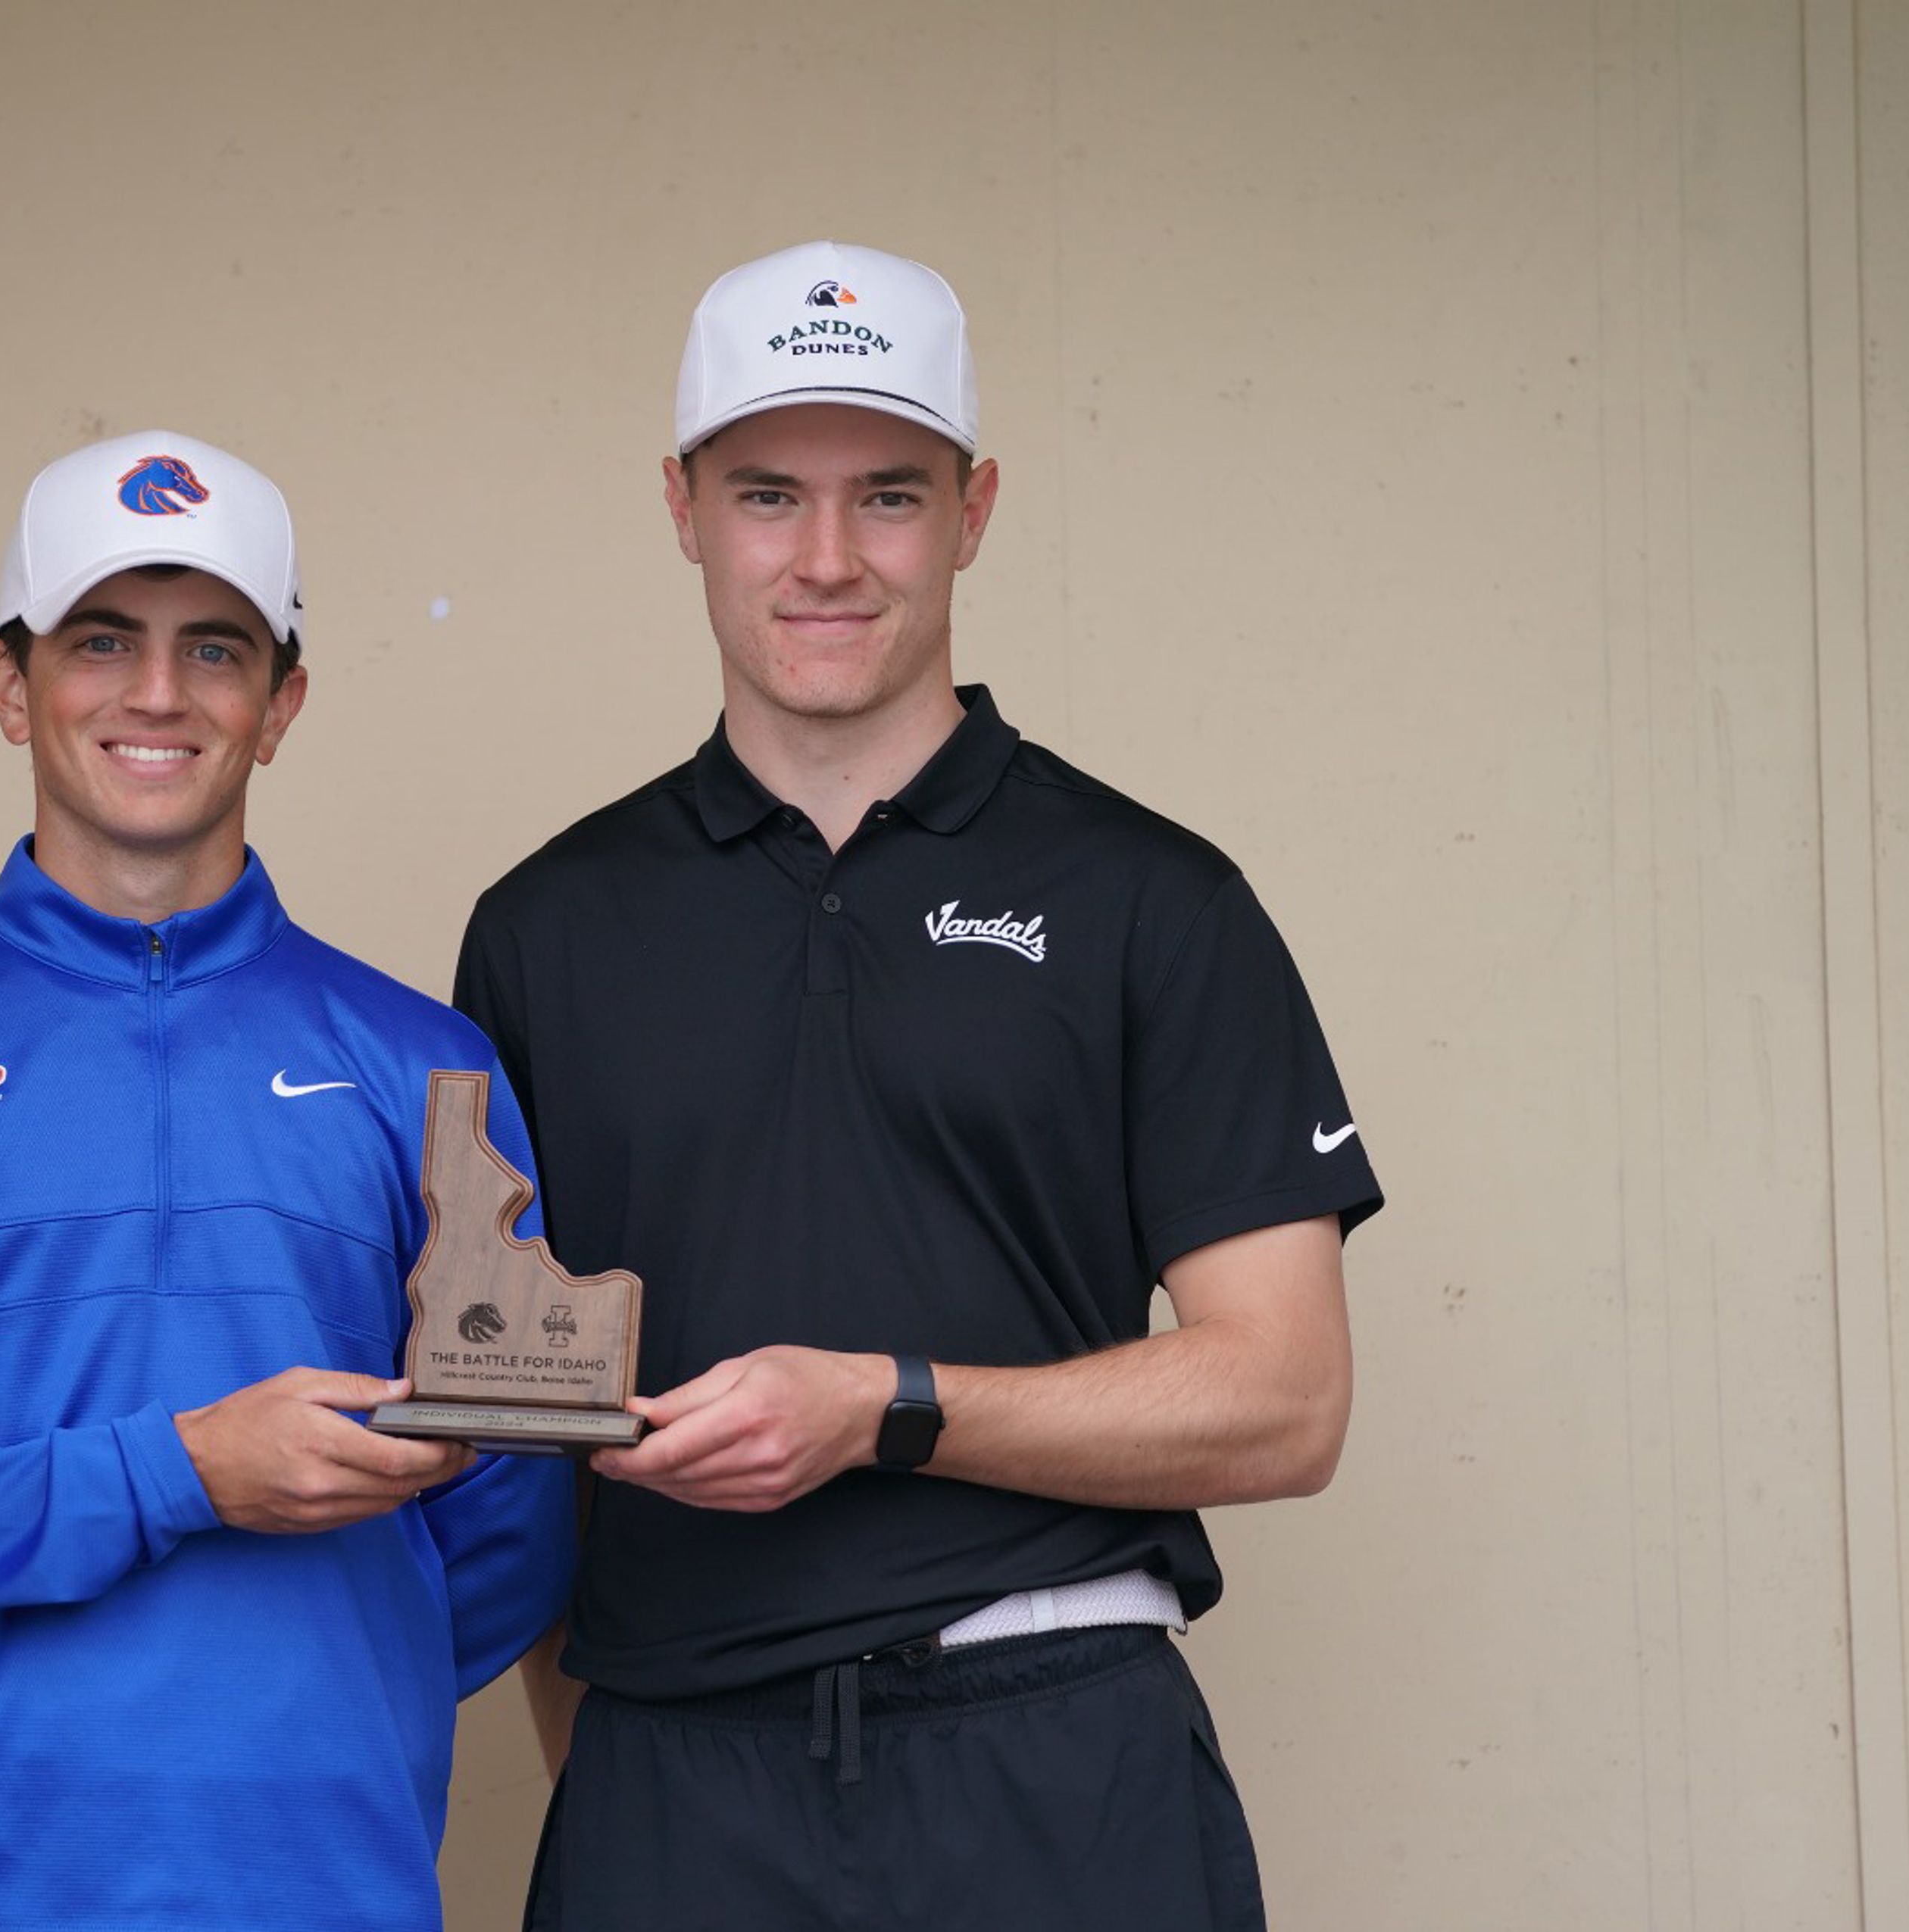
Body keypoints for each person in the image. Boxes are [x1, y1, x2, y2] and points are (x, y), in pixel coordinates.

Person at [455, 242, 1385, 1930]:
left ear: (975, 508)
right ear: (680, 506)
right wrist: (621, 1757)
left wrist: (890, 1406)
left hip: (1059, 1764)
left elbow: (1288, 1399)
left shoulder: (1153, 898)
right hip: (673, 1780)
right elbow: (518, 1421)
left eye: (887, 493)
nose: (825, 559)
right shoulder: (545, 930)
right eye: (764, 494)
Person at [0, 430, 573, 1932]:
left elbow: (515, 1506)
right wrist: (180, 1473)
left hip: (324, 1891)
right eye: (101, 639)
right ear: (7, 682)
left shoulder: (424, 1065)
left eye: (212, 647)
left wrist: (307, 1705)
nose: (157, 695)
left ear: (280, 702)